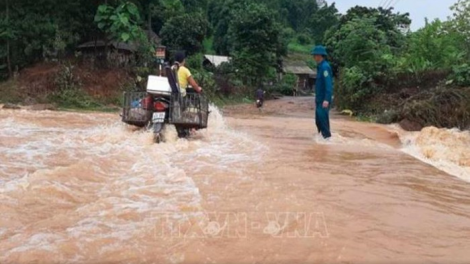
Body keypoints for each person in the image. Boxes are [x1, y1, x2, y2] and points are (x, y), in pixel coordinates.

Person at [312, 45, 333, 140]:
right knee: (318, 121)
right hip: (319, 99)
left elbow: (328, 84)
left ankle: (327, 139)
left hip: (324, 100)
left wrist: (327, 99)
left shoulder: (325, 67)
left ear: (320, 55)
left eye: (315, 55)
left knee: (323, 120)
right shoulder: (320, 67)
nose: (314, 57)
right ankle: (321, 139)